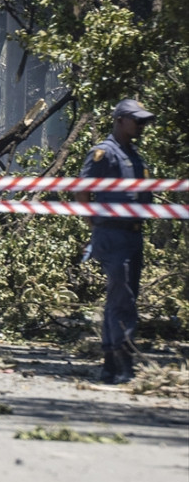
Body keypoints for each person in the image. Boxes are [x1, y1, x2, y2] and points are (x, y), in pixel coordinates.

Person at [76, 98, 155, 384]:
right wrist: (96, 224)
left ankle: (110, 363)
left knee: (121, 297)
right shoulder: (103, 153)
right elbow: (82, 192)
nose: (142, 126)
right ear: (121, 119)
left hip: (133, 234)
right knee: (123, 299)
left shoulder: (133, 154)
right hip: (112, 234)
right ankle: (123, 364)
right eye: (138, 120)